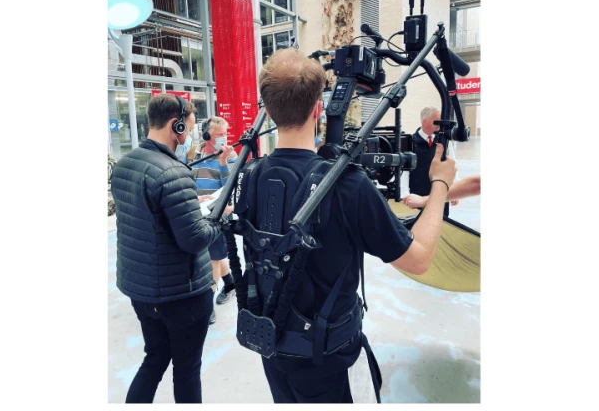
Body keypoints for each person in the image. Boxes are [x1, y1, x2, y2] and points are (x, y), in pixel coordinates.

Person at [237, 48, 457, 403]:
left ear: (270, 111)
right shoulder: (348, 186)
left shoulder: (249, 176)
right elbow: (418, 260)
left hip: (273, 350)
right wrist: (440, 184)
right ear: (318, 109)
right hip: (332, 360)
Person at [111, 94, 228, 403]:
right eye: (188, 126)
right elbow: (194, 239)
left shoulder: (125, 165)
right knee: (187, 370)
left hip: (141, 290)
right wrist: (219, 217)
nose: (189, 132)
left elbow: (151, 217)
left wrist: (191, 204)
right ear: (176, 125)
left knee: (155, 358)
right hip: (181, 295)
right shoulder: (173, 172)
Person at [190, 116, 238, 324]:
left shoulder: (231, 155)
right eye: (219, 135)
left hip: (218, 215)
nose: (223, 139)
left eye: (225, 134)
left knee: (213, 259)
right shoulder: (194, 153)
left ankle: (207, 305)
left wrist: (223, 162)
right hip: (197, 212)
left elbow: (232, 186)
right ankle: (230, 283)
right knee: (213, 256)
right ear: (207, 135)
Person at [404, 106, 460, 208]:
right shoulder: (410, 142)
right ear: (425, 121)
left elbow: (452, 165)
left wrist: (455, 190)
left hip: (441, 197)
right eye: (437, 121)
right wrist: (405, 195)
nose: (440, 125)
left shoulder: (444, 141)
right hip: (417, 198)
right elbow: (404, 172)